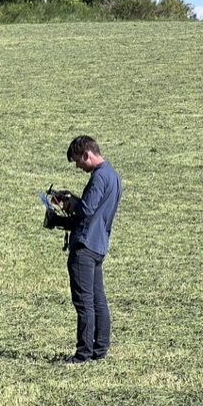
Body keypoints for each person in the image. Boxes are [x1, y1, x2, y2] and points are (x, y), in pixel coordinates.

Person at [61, 135, 122, 364]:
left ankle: (83, 354)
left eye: (78, 161)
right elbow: (95, 211)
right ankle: (100, 350)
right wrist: (74, 200)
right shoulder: (114, 178)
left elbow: (86, 210)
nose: (78, 166)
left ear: (87, 154)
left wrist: (73, 204)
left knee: (84, 302)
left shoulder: (98, 177)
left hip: (85, 247)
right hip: (99, 246)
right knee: (98, 300)